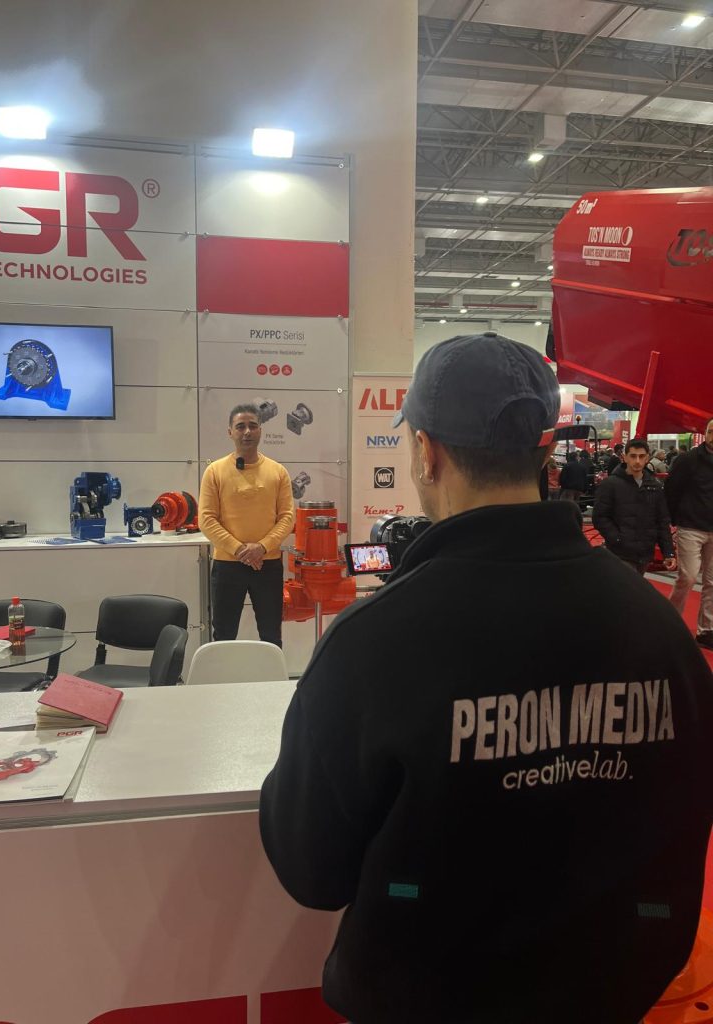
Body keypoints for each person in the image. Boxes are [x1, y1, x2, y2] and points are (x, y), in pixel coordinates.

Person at [260, 333, 713, 1024]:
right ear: (544, 452)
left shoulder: (374, 641)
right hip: (612, 998)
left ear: (427, 452)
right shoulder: (658, 629)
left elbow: (312, 871)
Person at [199, 403, 294, 647]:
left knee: (271, 636)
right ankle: (223, 674)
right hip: (227, 565)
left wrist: (261, 548)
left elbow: (287, 518)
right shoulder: (214, 471)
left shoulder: (278, 472)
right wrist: (241, 550)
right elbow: (206, 519)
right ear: (230, 432)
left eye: (253, 426)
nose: (247, 432)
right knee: (223, 636)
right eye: (240, 426)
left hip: (267, 564)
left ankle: (271, 675)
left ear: (261, 430)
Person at [592, 437, 676, 575]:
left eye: (641, 456)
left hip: (644, 552)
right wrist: (617, 538)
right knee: (625, 587)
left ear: (647, 458)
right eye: (633, 456)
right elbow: (600, 517)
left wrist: (668, 552)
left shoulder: (654, 486)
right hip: (620, 553)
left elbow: (662, 520)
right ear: (625, 457)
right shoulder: (610, 484)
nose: (637, 461)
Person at [666, 418, 713, 650]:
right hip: (690, 527)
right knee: (688, 577)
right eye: (711, 431)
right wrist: (674, 521)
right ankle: (671, 624)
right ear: (705, 432)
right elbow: (671, 490)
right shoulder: (687, 460)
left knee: (712, 582)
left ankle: (706, 630)